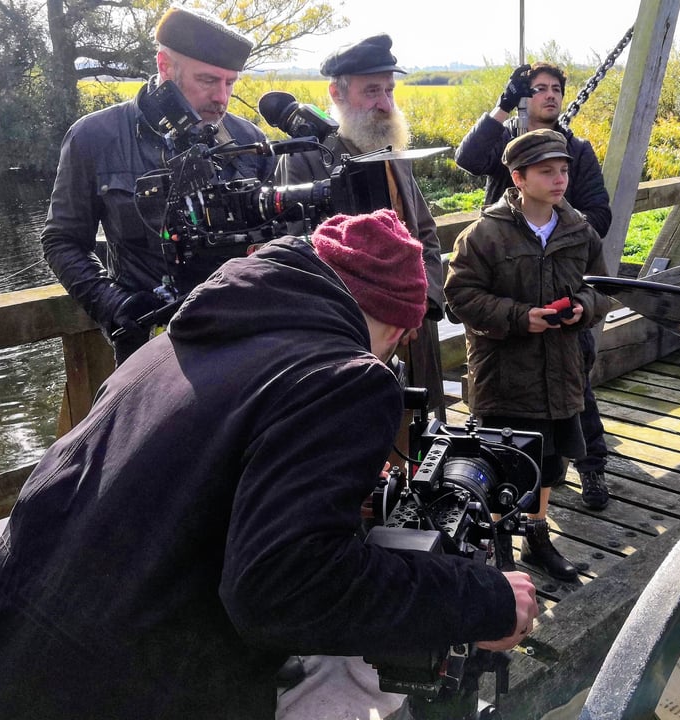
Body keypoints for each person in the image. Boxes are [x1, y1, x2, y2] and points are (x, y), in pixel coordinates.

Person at [0, 210, 538, 720]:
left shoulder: (173, 343)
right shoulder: (345, 377)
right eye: (401, 339)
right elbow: (281, 590)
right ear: (402, 324)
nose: (392, 353)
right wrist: (478, 600)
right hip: (123, 694)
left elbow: (182, 491)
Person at [41, 5, 275, 365]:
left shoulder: (249, 140)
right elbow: (62, 240)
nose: (222, 98)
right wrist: (113, 304)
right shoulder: (94, 136)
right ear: (165, 66)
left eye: (230, 83)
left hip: (244, 343)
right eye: (208, 80)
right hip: (149, 349)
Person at [445, 129, 610, 583]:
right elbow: (460, 296)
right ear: (517, 178)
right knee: (504, 467)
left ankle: (537, 539)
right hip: (505, 377)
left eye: (563, 171)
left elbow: (601, 287)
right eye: (546, 171)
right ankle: (500, 547)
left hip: (561, 373)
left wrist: (584, 307)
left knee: (550, 465)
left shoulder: (580, 231)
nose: (559, 180)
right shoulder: (483, 235)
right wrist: (520, 317)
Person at [455, 62, 615, 510]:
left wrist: (565, 233)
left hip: (562, 291)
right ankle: (514, 512)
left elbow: (599, 213)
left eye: (556, 89)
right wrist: (503, 106)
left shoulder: (576, 150)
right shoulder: (506, 144)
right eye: (538, 88)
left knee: (575, 391)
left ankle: (591, 468)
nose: (549, 95)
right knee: (506, 424)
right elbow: (468, 159)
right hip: (509, 288)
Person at [276, 33, 446, 417]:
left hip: (416, 336)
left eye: (389, 90)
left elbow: (426, 234)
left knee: (421, 435)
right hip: (353, 343)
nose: (385, 104)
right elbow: (302, 253)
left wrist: (422, 304)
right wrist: (382, 316)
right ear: (336, 93)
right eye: (371, 91)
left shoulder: (394, 151)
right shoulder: (307, 158)